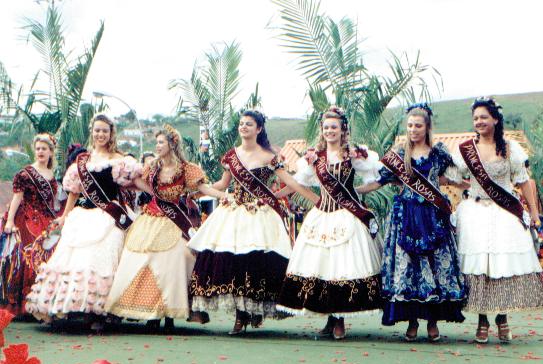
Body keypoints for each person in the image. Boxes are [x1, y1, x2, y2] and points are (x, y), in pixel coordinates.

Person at [187, 110, 318, 334]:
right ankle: (240, 315)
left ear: (259, 129)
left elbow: (290, 182)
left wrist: (316, 199)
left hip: (260, 212)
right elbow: (221, 184)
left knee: (256, 261)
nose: (244, 127)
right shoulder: (231, 156)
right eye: (241, 123)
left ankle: (252, 311)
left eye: (249, 124)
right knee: (232, 260)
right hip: (234, 211)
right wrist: (196, 190)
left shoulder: (269, 156)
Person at [356, 103, 465, 342]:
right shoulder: (398, 153)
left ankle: (433, 322)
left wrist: (465, 185)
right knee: (410, 267)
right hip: (406, 214)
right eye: (410, 125)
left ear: (427, 127)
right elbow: (381, 181)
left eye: (418, 125)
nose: (413, 129)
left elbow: (453, 175)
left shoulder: (439, 153)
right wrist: (354, 191)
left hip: (433, 215)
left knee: (435, 266)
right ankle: (413, 321)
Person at [25, 114, 141, 331]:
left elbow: (134, 184)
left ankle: (103, 313)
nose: (100, 134)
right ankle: (73, 308)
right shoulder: (82, 160)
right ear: (92, 132)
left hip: (109, 216)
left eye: (105, 131)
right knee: (76, 262)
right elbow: (73, 192)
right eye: (97, 130)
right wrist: (64, 216)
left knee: (103, 263)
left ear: (111, 133)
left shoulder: (120, 159)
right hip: (84, 215)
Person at [105, 125, 227, 332]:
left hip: (173, 221)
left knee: (178, 259)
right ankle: (150, 313)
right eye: (157, 142)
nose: (158, 146)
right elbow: (141, 184)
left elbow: (203, 188)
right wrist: (129, 180)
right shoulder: (152, 166)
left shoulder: (186, 168)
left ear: (172, 144)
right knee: (138, 259)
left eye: (161, 142)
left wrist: (225, 196)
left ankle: (169, 313)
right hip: (150, 218)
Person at [276, 106, 383, 340]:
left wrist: (355, 193)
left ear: (343, 129)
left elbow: (374, 179)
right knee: (322, 267)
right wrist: (275, 195)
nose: (329, 131)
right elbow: (297, 183)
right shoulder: (314, 158)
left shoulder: (353, 155)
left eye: (334, 126)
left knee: (342, 266)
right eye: (326, 127)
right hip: (322, 215)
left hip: (347, 215)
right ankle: (329, 316)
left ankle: (340, 320)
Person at [448, 97, 543, 343]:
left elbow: (524, 181)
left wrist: (534, 214)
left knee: (501, 266)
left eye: (484, 117)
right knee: (479, 266)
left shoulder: (511, 149)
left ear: (495, 119)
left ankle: (502, 317)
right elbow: (451, 177)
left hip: (505, 212)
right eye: (475, 118)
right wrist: (465, 188)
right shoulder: (464, 151)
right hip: (475, 212)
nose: (479, 122)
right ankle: (482, 319)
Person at [0, 134, 61, 317]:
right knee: (30, 255)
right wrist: (10, 221)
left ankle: (44, 302)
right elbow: (17, 198)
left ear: (51, 152)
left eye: (44, 149)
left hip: (47, 220)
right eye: (38, 149)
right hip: (27, 219)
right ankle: (26, 304)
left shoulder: (52, 175)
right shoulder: (25, 174)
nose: (40, 152)